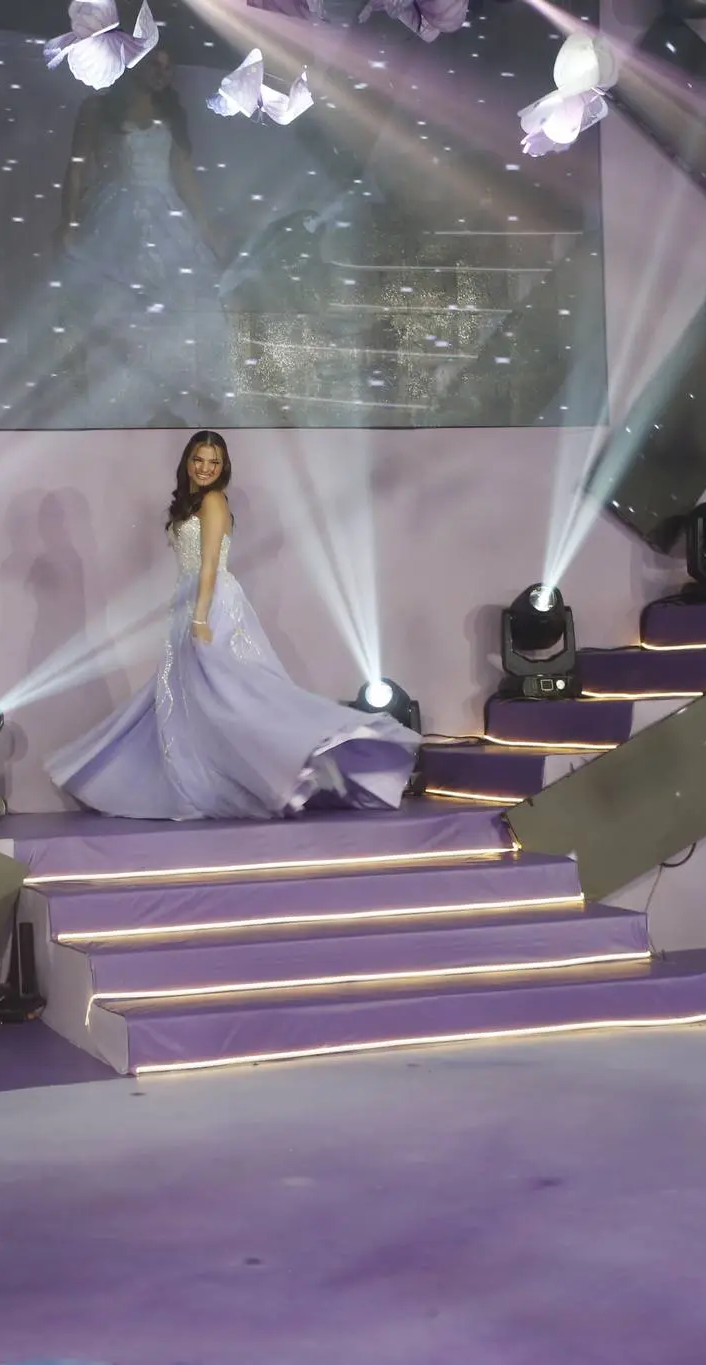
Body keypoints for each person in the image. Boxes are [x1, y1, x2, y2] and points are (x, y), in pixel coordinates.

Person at [46, 432, 422, 820]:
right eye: (199, 460)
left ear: (223, 467)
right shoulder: (191, 503)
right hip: (188, 605)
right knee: (189, 702)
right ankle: (212, 782)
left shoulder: (213, 501)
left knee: (237, 698)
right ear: (187, 461)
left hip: (211, 606)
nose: (205, 468)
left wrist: (200, 617)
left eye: (214, 462)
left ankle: (308, 756)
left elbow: (209, 565)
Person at [51, 48, 233, 425]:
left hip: (166, 214)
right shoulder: (97, 108)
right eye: (154, 64)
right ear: (133, 63)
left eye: (168, 67)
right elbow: (77, 166)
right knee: (112, 305)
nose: (162, 73)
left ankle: (170, 398)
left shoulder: (171, 113)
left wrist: (204, 227)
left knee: (180, 301)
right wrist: (68, 220)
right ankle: (117, 401)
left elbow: (184, 174)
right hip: (114, 213)